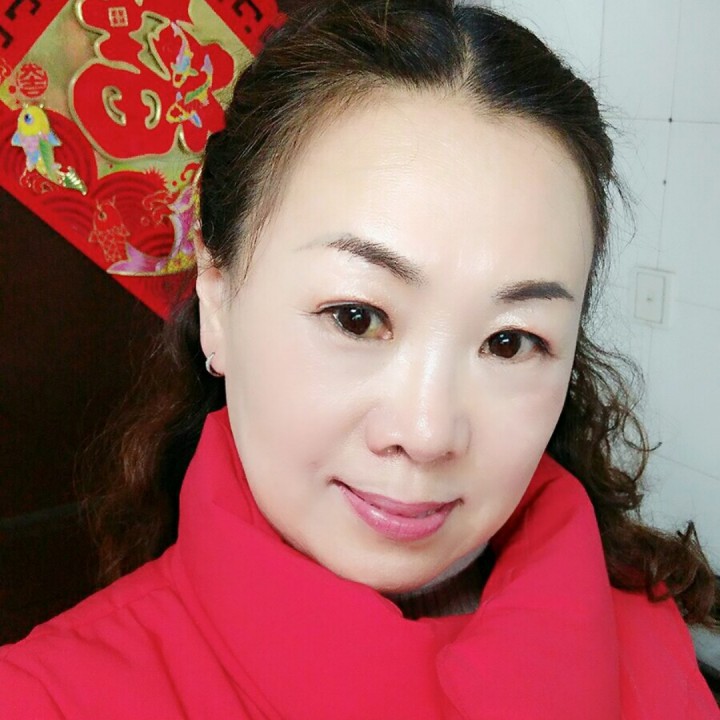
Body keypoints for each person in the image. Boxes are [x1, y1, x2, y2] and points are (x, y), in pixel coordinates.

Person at [1, 1, 717, 717]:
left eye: (510, 341)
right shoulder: (48, 699)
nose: (427, 434)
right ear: (217, 298)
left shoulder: (647, 628)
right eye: (357, 317)